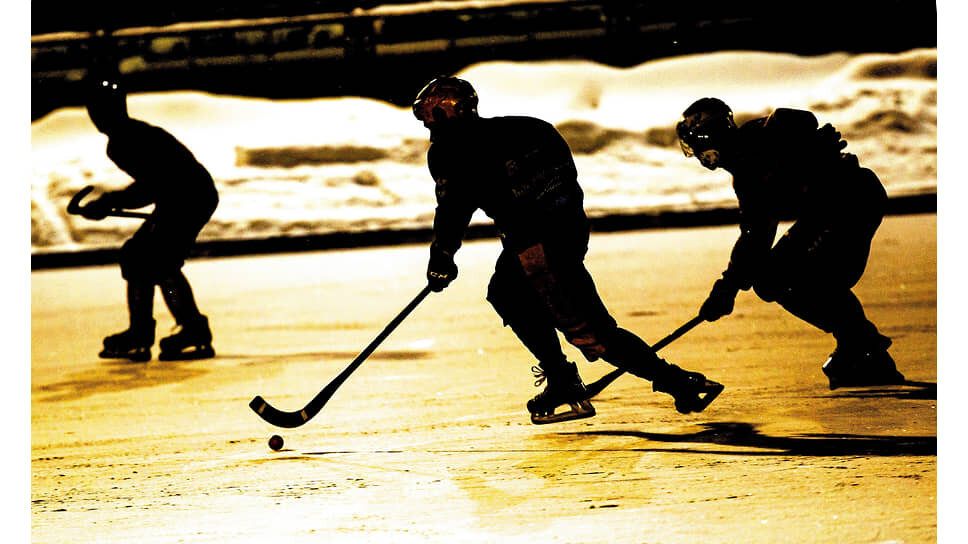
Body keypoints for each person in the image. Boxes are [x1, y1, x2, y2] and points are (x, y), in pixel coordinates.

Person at [413, 76, 723, 423]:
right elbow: (563, 184)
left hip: (536, 245)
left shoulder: (450, 151)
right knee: (508, 294)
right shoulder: (529, 128)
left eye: (432, 116)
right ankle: (565, 377)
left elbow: (454, 208)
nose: (429, 125)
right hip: (564, 231)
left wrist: (442, 256)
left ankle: (677, 381)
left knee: (588, 330)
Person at [676, 97, 905, 389]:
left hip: (850, 203)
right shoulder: (745, 174)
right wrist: (727, 287)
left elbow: (793, 119)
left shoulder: (759, 140)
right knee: (772, 279)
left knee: (804, 279)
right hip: (829, 211)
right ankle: (860, 344)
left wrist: (805, 146)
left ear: (706, 139)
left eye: (695, 145)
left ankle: (862, 346)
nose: (697, 154)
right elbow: (756, 235)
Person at [75, 77, 219, 362]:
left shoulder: (125, 141)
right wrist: (111, 202)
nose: (96, 117)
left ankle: (188, 330)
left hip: (188, 198)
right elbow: (154, 185)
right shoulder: (128, 136)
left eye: (99, 109)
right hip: (186, 196)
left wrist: (108, 202)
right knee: (138, 255)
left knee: (158, 260)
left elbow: (152, 185)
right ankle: (145, 331)